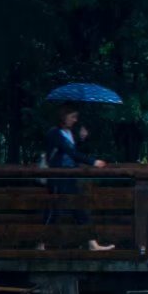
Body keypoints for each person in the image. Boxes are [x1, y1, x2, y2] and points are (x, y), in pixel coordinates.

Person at [45, 108, 116, 252]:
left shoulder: (70, 133)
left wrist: (82, 139)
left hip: (69, 177)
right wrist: (93, 162)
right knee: (53, 211)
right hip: (57, 178)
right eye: (72, 117)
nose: (75, 120)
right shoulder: (54, 133)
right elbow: (69, 152)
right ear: (63, 116)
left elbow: (74, 153)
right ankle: (40, 243)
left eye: (76, 117)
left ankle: (92, 243)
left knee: (79, 209)